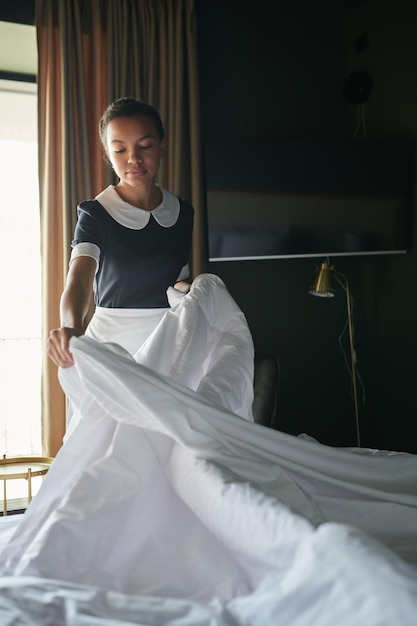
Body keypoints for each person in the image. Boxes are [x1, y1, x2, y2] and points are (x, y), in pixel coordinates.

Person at [47, 97, 194, 368]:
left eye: (145, 146)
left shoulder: (182, 212)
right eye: (119, 150)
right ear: (107, 153)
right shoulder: (97, 213)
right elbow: (79, 279)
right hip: (113, 347)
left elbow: (177, 280)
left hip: (170, 343)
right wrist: (70, 326)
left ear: (161, 145)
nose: (134, 159)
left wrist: (198, 292)